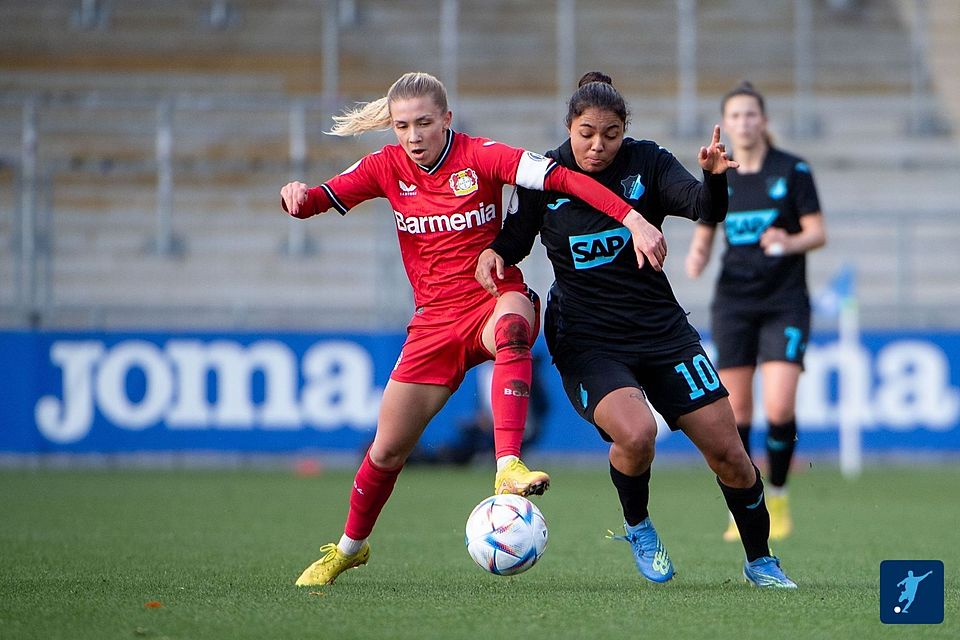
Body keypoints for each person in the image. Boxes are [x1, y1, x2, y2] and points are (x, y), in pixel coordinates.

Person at [280, 72, 666, 587]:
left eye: (423, 123)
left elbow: (563, 178)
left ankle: (508, 462)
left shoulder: (482, 155)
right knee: (386, 451)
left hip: (491, 300)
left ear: (447, 120)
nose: (413, 136)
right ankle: (350, 548)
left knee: (514, 322)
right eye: (401, 126)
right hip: (433, 325)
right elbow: (320, 199)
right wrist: (297, 196)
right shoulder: (384, 167)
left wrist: (633, 219)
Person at [477, 72, 797, 588]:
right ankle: (639, 526)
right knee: (637, 433)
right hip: (587, 339)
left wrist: (714, 176)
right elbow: (515, 238)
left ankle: (760, 561)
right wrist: (495, 250)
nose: (598, 145)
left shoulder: (647, 162)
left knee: (730, 454)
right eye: (586, 132)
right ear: (569, 126)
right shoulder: (544, 174)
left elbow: (703, 207)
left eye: (610, 133)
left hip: (661, 331)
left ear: (625, 129)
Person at [685, 81, 826, 542]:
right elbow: (708, 219)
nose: (744, 122)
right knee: (736, 410)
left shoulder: (793, 169)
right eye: (736, 116)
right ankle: (746, 503)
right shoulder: (721, 171)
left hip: (784, 301)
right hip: (734, 303)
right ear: (726, 124)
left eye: (751, 114)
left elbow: (817, 232)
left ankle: (780, 494)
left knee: (780, 405)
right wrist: (698, 254)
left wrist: (789, 241)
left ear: (763, 120)